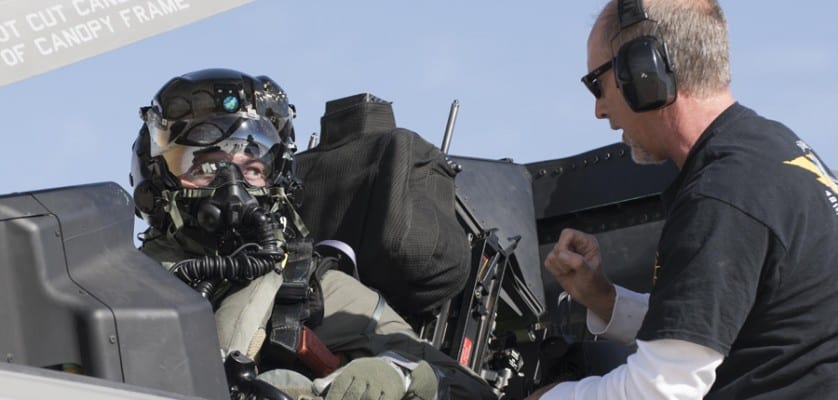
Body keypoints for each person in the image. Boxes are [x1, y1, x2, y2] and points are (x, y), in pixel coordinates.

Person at [530, 0, 838, 399]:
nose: (599, 109)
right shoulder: (772, 150)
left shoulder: (724, 193)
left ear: (644, 72)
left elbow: (660, 390)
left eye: (597, 83)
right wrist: (605, 300)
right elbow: (715, 325)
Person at [130, 68, 495, 400]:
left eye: (253, 169)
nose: (233, 187)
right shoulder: (110, 282)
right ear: (157, 175)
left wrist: (399, 375)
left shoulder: (309, 289)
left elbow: (468, 389)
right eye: (209, 166)